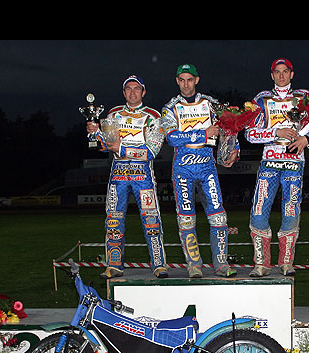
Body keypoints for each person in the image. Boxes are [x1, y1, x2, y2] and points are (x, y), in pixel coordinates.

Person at [245, 58, 309, 276]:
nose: (281, 76)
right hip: (269, 162)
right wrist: (276, 133)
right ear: (271, 75)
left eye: (285, 71)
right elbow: (249, 133)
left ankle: (286, 262)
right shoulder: (261, 99)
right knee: (258, 211)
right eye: (277, 72)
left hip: (294, 163)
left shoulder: (305, 97)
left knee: (291, 211)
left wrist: (307, 140)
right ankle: (261, 264)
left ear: (292, 74)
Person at [161, 64, 239, 278]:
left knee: (219, 216)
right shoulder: (170, 108)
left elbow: (229, 126)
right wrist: (203, 134)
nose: (186, 84)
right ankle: (193, 264)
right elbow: (172, 138)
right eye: (182, 80)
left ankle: (221, 264)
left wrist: (234, 148)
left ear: (197, 80)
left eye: (190, 79)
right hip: (182, 168)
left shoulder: (211, 104)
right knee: (186, 217)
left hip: (207, 167)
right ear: (177, 81)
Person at [86, 75, 168, 279]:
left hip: (143, 175)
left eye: (136, 89)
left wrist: (122, 148)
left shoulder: (153, 116)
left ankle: (158, 264)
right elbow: (106, 145)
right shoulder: (114, 114)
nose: (132, 92)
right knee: (113, 220)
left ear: (143, 92)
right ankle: (114, 265)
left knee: (151, 221)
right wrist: (94, 133)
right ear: (124, 93)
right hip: (118, 174)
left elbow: (153, 150)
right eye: (128, 89)